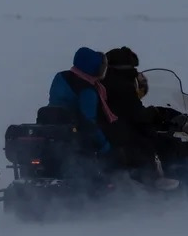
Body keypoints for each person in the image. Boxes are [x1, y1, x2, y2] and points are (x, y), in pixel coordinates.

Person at [48, 46, 178, 191]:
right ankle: (151, 182)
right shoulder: (87, 90)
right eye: (101, 67)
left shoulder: (62, 77)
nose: (103, 71)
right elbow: (89, 121)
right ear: (93, 68)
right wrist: (105, 146)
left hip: (62, 129)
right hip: (82, 135)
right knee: (137, 145)